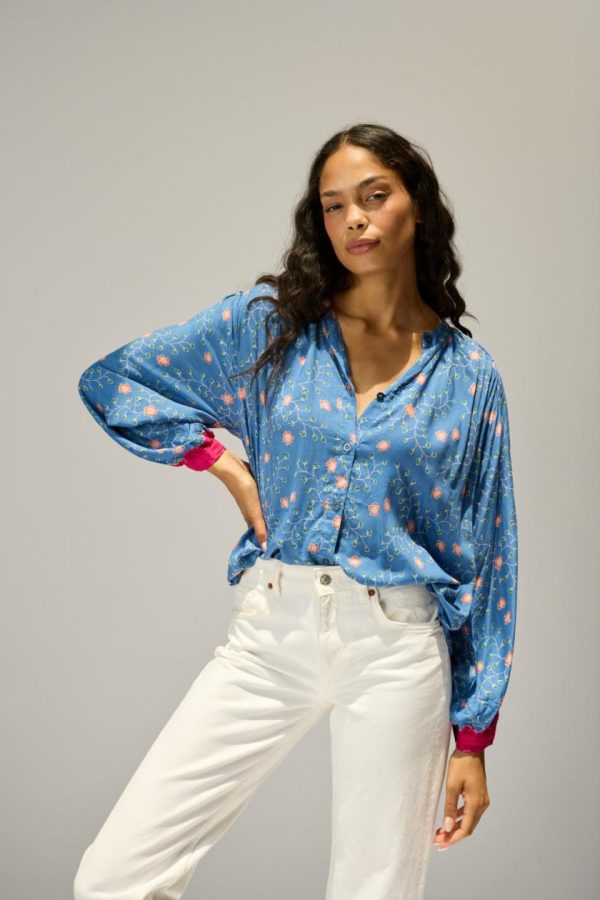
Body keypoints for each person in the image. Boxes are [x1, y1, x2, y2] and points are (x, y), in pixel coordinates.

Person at [73, 123, 518, 900]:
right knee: (113, 877)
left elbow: (487, 555)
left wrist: (473, 738)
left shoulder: (468, 376)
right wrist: (219, 464)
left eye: (374, 196)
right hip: (271, 635)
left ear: (418, 205)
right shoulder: (270, 328)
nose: (354, 218)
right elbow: (114, 380)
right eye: (334, 204)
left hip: (398, 649)